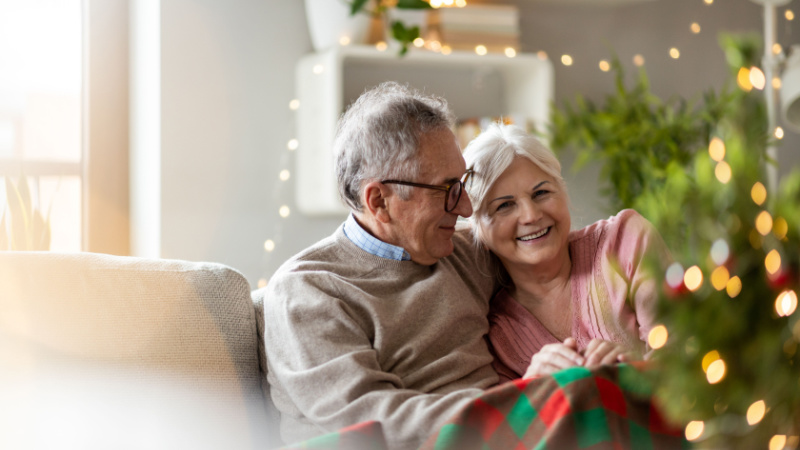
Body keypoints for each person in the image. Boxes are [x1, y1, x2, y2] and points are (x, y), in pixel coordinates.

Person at [263, 81, 499, 450]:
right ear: (379, 201)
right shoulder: (308, 290)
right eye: (446, 188)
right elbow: (371, 423)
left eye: (463, 182)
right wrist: (519, 405)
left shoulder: (464, 251)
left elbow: (571, 257)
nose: (466, 208)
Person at [462, 122, 670, 383]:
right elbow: (510, 421)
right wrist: (532, 387)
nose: (531, 215)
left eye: (541, 193)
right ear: (477, 227)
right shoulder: (494, 335)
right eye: (504, 206)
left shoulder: (625, 241)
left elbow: (690, 356)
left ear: (563, 191)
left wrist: (631, 371)